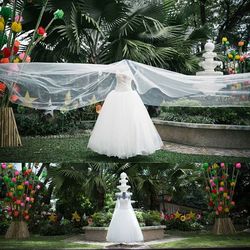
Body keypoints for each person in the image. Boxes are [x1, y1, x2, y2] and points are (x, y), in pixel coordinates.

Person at [87, 71, 163, 158]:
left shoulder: (130, 71)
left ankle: (131, 146)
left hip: (128, 96)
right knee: (114, 121)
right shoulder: (118, 70)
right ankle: (114, 146)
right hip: (116, 96)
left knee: (131, 121)